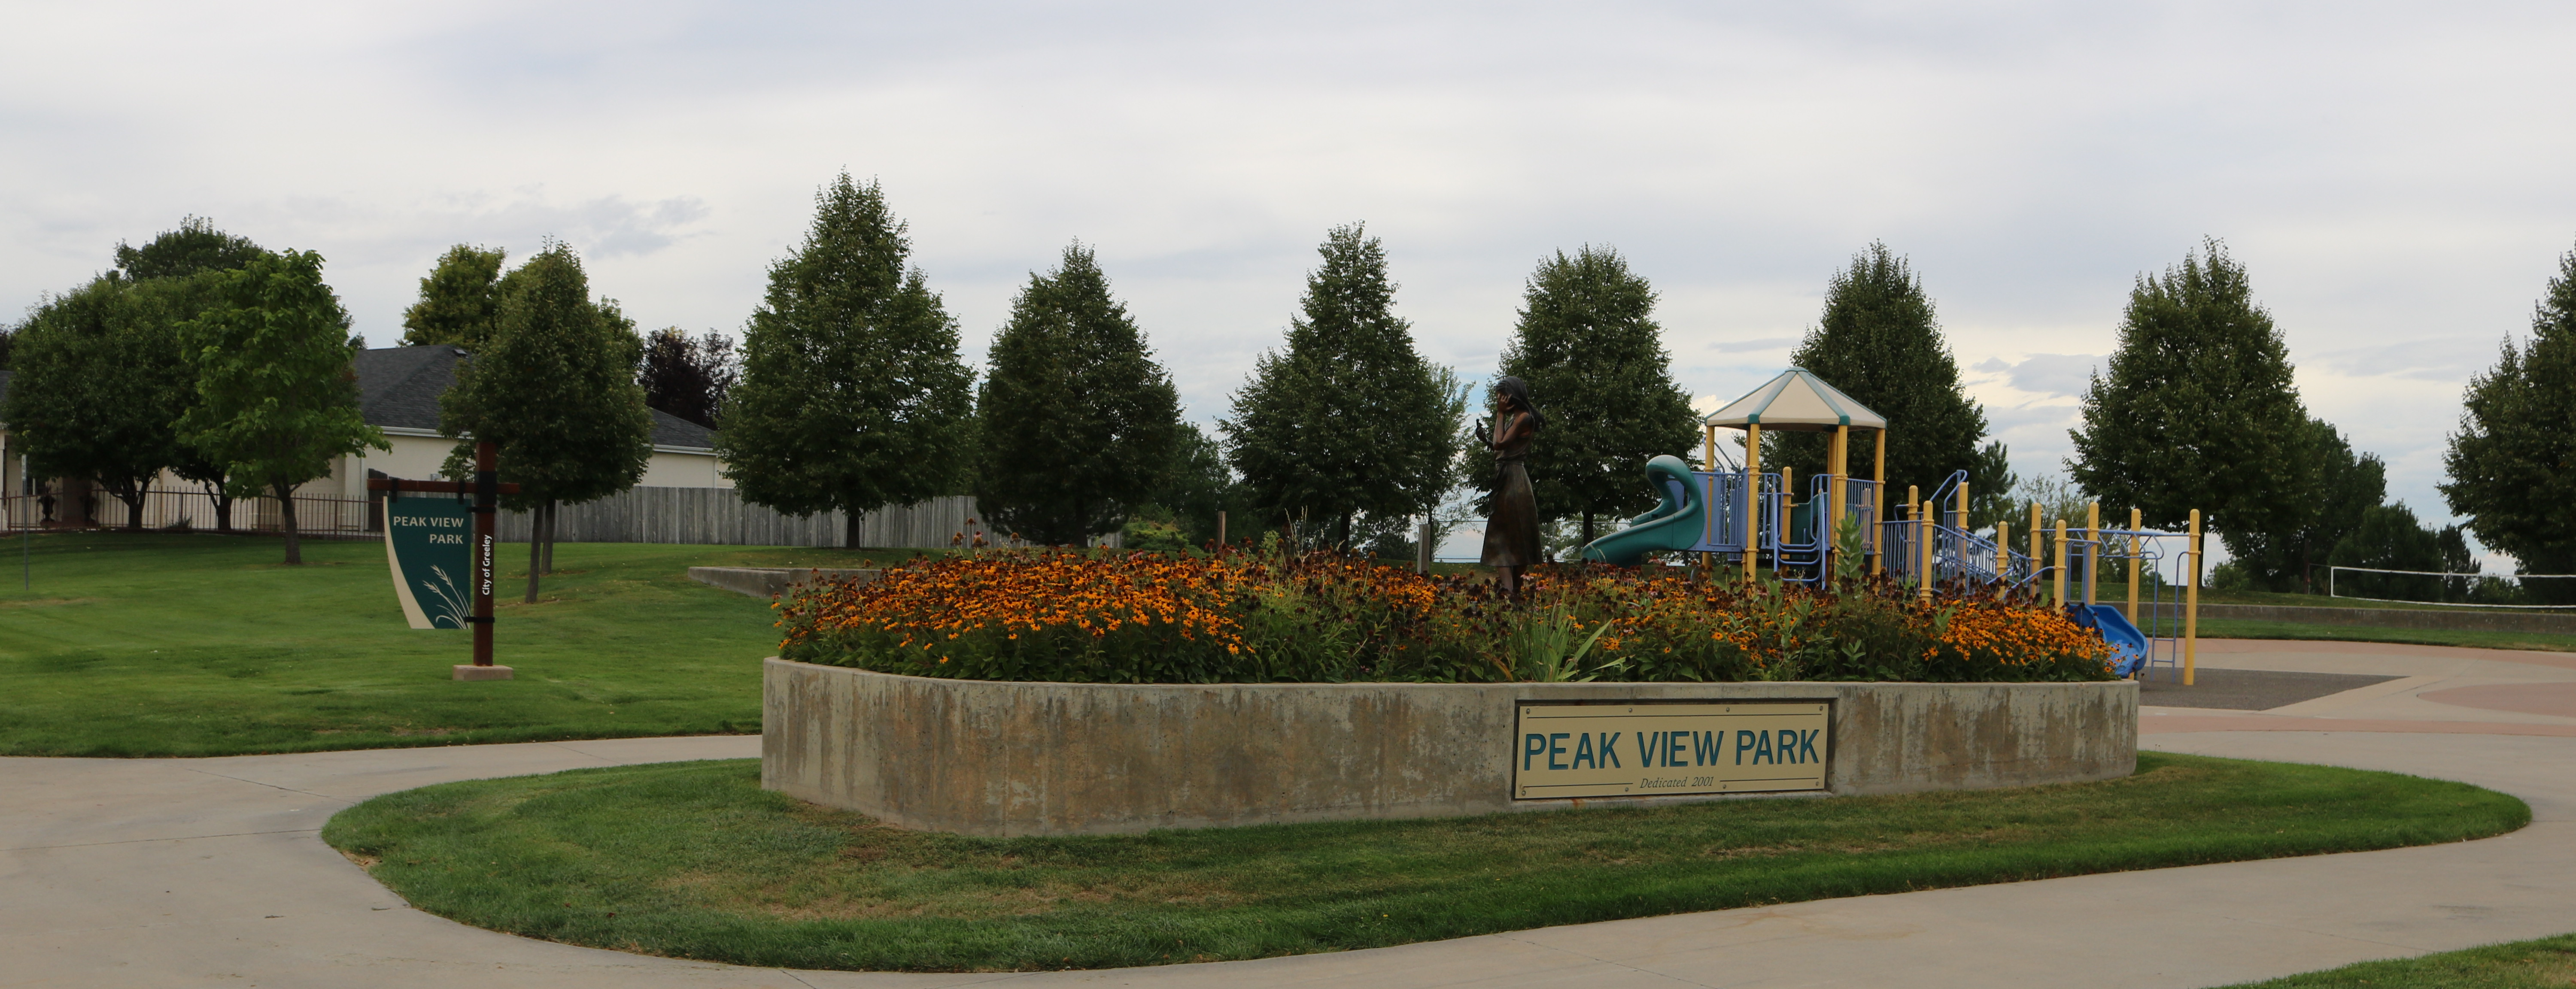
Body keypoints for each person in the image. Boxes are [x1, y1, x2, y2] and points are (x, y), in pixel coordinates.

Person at [1480, 376, 1543, 600]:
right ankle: (1513, 590)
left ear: (1511, 396)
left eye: (1501, 396)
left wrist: (1499, 414)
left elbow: (1500, 444)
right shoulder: (1518, 418)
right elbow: (1499, 448)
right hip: (1508, 476)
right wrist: (1487, 441)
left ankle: (1509, 590)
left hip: (1513, 479)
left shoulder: (1524, 418)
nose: (1498, 400)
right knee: (1510, 534)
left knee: (1505, 534)